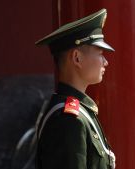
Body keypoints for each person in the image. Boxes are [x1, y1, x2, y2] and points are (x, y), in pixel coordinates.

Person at [34, 9, 116, 169]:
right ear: (77, 58)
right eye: (100, 53)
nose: (105, 62)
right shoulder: (70, 120)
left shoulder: (79, 113)